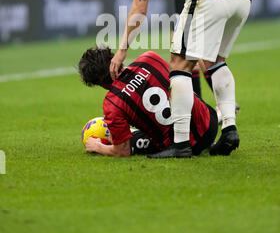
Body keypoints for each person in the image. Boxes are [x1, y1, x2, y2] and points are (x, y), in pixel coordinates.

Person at [110, 0, 251, 158]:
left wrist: (122, 50)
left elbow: (139, 7)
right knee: (216, 61)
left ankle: (180, 143)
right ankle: (229, 129)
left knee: (178, 64)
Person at [78, 47, 218, 157]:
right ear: (113, 57)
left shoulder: (112, 103)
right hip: (209, 122)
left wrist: (98, 147)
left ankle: (114, 134)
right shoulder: (149, 58)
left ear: (98, 83)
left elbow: (123, 152)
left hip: (187, 144)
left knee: (132, 140)